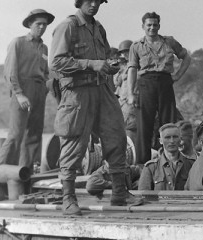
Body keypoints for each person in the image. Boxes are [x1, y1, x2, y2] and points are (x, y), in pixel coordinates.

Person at [50, 0, 139, 215]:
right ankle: (69, 198)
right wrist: (90, 64)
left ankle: (119, 191)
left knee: (116, 137)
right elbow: (56, 62)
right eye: (89, 1)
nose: (93, 5)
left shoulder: (98, 28)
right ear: (80, 3)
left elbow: (104, 58)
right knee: (73, 143)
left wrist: (108, 65)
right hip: (78, 94)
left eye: (97, 1)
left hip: (103, 91)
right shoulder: (68, 26)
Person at [0, 9, 54, 183]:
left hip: (39, 91)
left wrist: (46, 88)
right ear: (30, 25)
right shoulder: (18, 43)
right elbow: (10, 71)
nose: (42, 27)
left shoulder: (44, 47)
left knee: (34, 134)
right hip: (22, 89)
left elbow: (45, 71)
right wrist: (19, 94)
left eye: (44, 24)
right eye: (38, 24)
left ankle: (24, 174)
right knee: (15, 134)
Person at [127, 12, 191, 165]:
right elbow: (132, 69)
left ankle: (169, 161)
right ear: (143, 26)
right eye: (148, 25)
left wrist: (177, 76)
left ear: (159, 26)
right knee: (144, 126)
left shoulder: (169, 42)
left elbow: (186, 57)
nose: (152, 28)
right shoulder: (136, 46)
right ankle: (142, 165)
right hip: (145, 84)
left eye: (155, 25)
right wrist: (131, 93)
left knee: (168, 124)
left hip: (165, 83)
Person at [138, 123, 195, 190]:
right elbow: (143, 196)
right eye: (167, 137)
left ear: (180, 139)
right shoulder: (151, 168)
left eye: (175, 137)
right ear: (161, 141)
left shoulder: (192, 165)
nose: (172, 141)